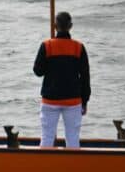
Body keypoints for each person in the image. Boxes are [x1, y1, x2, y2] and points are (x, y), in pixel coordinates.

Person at [33, 11, 91, 148]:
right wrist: (85, 100)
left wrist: (51, 65)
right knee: (73, 139)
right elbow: (85, 77)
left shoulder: (47, 46)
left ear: (54, 26)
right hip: (73, 100)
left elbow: (38, 71)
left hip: (50, 99)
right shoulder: (79, 47)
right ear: (70, 26)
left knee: (47, 137)